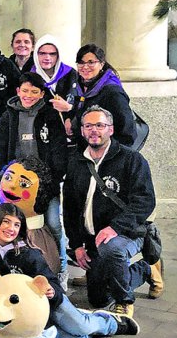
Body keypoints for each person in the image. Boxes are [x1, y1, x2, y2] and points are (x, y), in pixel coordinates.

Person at [0, 204, 139, 338]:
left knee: (82, 326)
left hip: (51, 304)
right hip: (23, 316)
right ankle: (81, 327)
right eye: (6, 222)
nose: (11, 229)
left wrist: (51, 291)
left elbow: (52, 282)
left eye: (16, 225)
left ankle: (110, 323)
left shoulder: (29, 254)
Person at [64, 106, 162, 318]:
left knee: (112, 249)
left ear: (111, 129)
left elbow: (145, 201)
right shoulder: (76, 162)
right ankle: (145, 269)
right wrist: (77, 246)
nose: (94, 130)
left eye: (100, 125)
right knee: (98, 299)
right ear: (82, 131)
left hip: (126, 232)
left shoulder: (132, 159)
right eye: (88, 126)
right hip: (93, 238)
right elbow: (70, 208)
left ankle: (124, 301)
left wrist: (115, 228)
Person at [0, 72, 69, 281]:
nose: (29, 95)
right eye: (25, 90)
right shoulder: (8, 116)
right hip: (14, 184)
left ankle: (61, 267)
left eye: (34, 92)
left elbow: (59, 150)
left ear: (42, 94)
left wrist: (52, 179)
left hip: (44, 185)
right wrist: (0, 174)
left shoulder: (50, 116)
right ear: (18, 91)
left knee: (53, 222)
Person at [71, 44, 137, 147]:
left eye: (91, 62)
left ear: (101, 64)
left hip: (107, 150)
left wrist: (114, 152)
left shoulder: (112, 91)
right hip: (87, 149)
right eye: (81, 62)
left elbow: (126, 129)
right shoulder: (80, 87)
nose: (85, 67)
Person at [30, 34, 79, 126]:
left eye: (52, 54)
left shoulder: (70, 74)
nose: (47, 58)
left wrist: (70, 108)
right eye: (42, 53)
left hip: (68, 126)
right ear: (36, 54)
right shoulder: (30, 76)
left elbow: (80, 100)